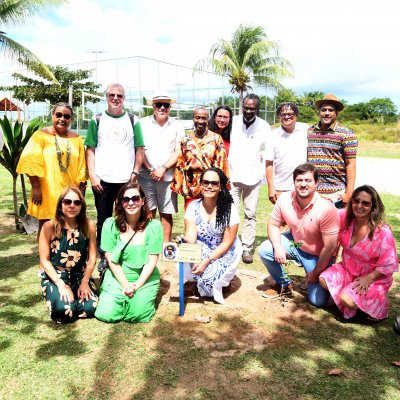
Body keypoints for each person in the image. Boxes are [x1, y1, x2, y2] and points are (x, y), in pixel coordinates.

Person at [258, 163, 340, 307]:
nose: (303, 184)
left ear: (316, 183)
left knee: (317, 301)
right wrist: (277, 247)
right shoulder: (284, 199)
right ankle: (284, 284)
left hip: (319, 255)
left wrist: (315, 273)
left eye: (308, 180)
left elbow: (330, 246)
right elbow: (273, 225)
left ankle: (318, 275)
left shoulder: (326, 208)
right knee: (265, 249)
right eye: (299, 180)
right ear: (294, 182)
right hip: (297, 244)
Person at [85, 83, 145, 272]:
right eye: (112, 95)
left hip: (126, 182)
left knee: (128, 218)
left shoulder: (133, 120)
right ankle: (104, 256)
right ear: (106, 97)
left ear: (124, 98)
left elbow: (140, 149)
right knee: (104, 220)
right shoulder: (97, 120)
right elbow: (90, 149)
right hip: (103, 181)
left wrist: (134, 174)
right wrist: (93, 176)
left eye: (119, 95)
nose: (115, 98)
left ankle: (125, 253)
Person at [319, 185, 398, 321]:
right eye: (356, 201)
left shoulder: (382, 232)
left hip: (374, 276)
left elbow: (389, 263)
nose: (359, 206)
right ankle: (353, 299)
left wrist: (369, 277)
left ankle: (378, 307)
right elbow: (327, 214)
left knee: (346, 299)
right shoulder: (345, 217)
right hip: (348, 269)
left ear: (374, 207)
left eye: (365, 203)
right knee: (324, 280)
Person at [95, 182, 163, 323]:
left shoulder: (154, 227)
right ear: (120, 203)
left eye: (135, 198)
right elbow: (111, 260)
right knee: (106, 314)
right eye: (125, 199)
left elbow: (151, 262)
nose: (131, 203)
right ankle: (118, 298)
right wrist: (126, 285)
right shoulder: (110, 225)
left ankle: (140, 298)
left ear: (143, 201)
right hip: (116, 276)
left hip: (144, 278)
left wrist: (137, 285)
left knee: (138, 315)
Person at [17, 103, 87, 237]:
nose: (62, 119)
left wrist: (80, 192)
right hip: (46, 189)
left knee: (69, 225)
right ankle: (45, 257)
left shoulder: (76, 139)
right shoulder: (40, 135)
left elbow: (82, 166)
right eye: (58, 115)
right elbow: (30, 161)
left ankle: (64, 256)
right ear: (52, 115)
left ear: (71, 119)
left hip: (70, 191)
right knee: (46, 226)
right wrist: (36, 186)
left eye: (67, 116)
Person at [182, 168, 242, 304]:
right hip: (201, 247)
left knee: (210, 281)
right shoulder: (192, 206)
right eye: (206, 182)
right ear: (201, 185)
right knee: (187, 259)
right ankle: (197, 281)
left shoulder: (229, 209)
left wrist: (206, 261)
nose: (209, 186)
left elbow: (227, 242)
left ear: (220, 187)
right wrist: (191, 253)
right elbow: (191, 234)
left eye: (214, 183)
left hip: (223, 251)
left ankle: (222, 282)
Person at [38, 186, 98, 323]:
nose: (72, 205)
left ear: (82, 206)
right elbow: (44, 260)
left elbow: (92, 257)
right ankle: (58, 296)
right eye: (67, 202)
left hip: (79, 276)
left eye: (77, 202)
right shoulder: (49, 227)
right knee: (64, 312)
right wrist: (60, 284)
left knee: (90, 309)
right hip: (56, 276)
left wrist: (85, 282)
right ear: (60, 205)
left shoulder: (88, 226)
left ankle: (73, 298)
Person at [229, 94, 271, 263]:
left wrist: (262, 172)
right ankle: (230, 245)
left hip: (253, 177)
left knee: (250, 213)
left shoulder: (264, 126)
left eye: (252, 108)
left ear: (257, 109)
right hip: (232, 175)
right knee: (230, 213)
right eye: (245, 107)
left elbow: (268, 152)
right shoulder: (233, 121)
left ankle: (247, 248)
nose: (248, 111)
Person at [139, 91, 185, 242]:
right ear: (153, 106)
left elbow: (178, 152)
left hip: (168, 177)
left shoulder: (177, 125)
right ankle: (148, 243)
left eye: (166, 105)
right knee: (147, 212)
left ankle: (165, 247)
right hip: (146, 176)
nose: (162, 108)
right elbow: (139, 149)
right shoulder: (142, 123)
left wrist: (163, 169)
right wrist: (151, 169)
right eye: (159, 104)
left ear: (170, 107)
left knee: (166, 213)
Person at [171, 106, 229, 209]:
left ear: (208, 119)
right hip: (191, 188)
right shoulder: (185, 140)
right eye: (197, 117)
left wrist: (220, 186)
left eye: (204, 118)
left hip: (210, 187)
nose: (200, 121)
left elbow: (221, 164)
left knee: (209, 219)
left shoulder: (216, 139)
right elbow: (180, 164)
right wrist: (181, 186)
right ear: (193, 118)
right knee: (191, 219)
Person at [308, 94, 358, 207]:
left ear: (337, 113)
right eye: (323, 110)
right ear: (319, 112)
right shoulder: (310, 131)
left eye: (330, 110)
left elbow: (351, 165)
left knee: (336, 224)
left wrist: (349, 193)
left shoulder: (347, 134)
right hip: (313, 191)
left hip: (336, 193)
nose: (326, 113)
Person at [265, 102, 308, 204]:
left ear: (296, 115)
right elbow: (268, 164)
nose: (287, 117)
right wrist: (271, 188)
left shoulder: (306, 130)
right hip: (281, 188)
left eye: (290, 114)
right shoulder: (272, 136)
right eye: (283, 114)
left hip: (304, 185)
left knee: (304, 218)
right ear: (279, 117)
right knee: (284, 219)